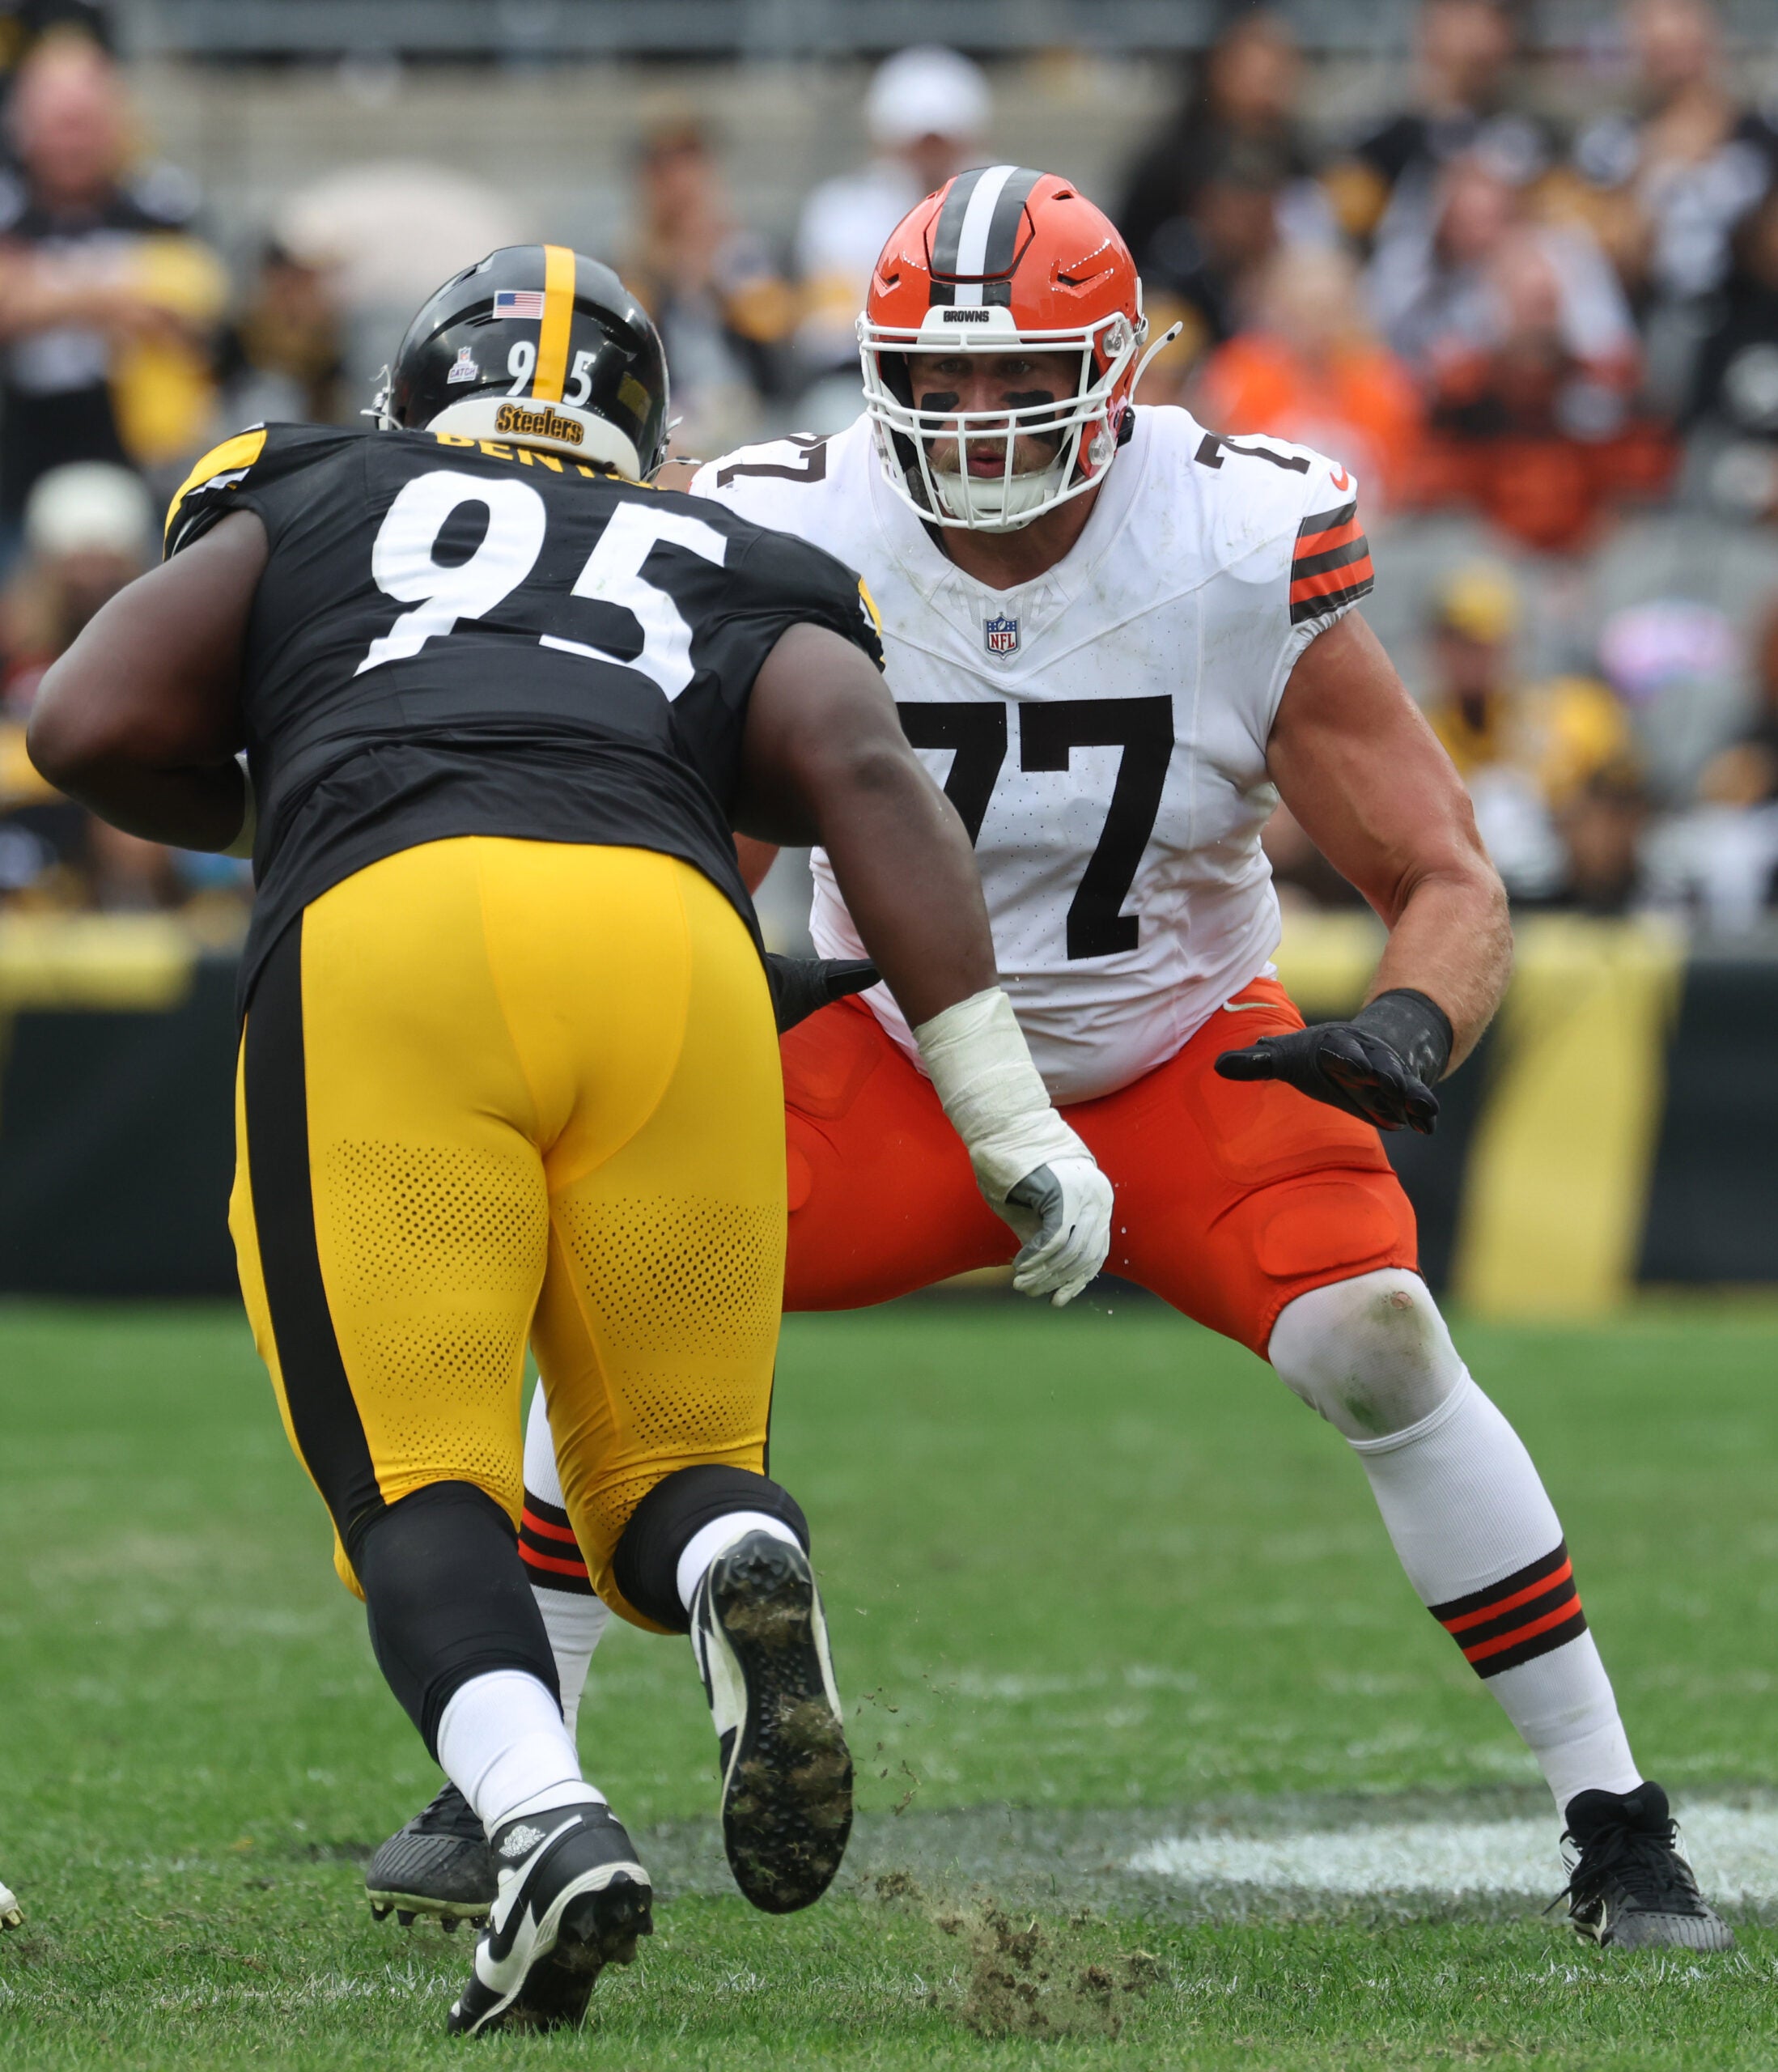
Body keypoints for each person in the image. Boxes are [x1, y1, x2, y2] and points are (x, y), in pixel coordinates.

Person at [375, 173, 1731, 1955]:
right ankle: (509, 1787)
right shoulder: (788, 521)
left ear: (1117, 367)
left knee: (1379, 1340)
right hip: (890, 1049)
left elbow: (1445, 877)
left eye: (1012, 376)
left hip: (1174, 1049)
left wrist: (1415, 1018)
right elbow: (680, 821)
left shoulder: (1236, 540)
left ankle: (1615, 1814)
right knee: (620, 1292)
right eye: (930, 384)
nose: (968, 419)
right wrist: (698, 965)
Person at [27, 244, 1114, 2032]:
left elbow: (81, 719)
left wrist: (291, 788)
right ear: (645, 435)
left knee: (414, 1473)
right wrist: (1007, 1109)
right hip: (674, 943)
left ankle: (536, 1820)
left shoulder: (311, 480)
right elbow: (862, 772)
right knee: (664, 1459)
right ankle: (726, 1567)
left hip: (398, 924)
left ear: (409, 404)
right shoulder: (735, 551)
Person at [0, 36, 224, 542]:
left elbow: (192, 310)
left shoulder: (162, 201)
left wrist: (40, 287)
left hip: (145, 461)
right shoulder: (9, 199)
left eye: (85, 123)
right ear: (24, 127)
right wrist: (110, 297)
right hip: (20, 459)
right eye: (59, 124)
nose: (72, 142)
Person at [792, 45, 988, 392]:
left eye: (940, 142)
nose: (929, 156)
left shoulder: (1010, 206)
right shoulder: (840, 213)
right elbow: (829, 331)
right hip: (864, 380)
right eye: (919, 143)